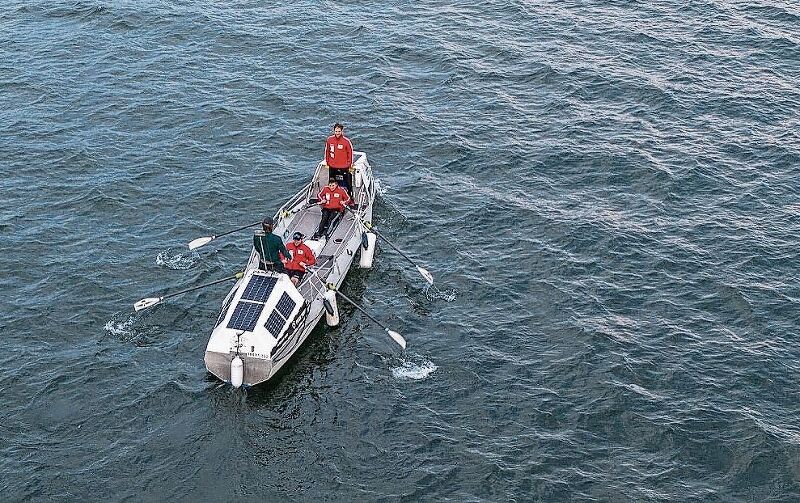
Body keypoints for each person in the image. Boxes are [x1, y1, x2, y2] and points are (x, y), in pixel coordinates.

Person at [323, 123, 354, 198]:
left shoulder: (346, 141)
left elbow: (350, 153)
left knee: (348, 182)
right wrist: (327, 161)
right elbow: (327, 151)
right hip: (332, 165)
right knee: (331, 182)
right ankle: (332, 196)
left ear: (342, 131)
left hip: (344, 166)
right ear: (334, 131)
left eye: (339, 131)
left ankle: (350, 196)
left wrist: (349, 164)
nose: (337, 133)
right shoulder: (330, 140)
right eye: (336, 131)